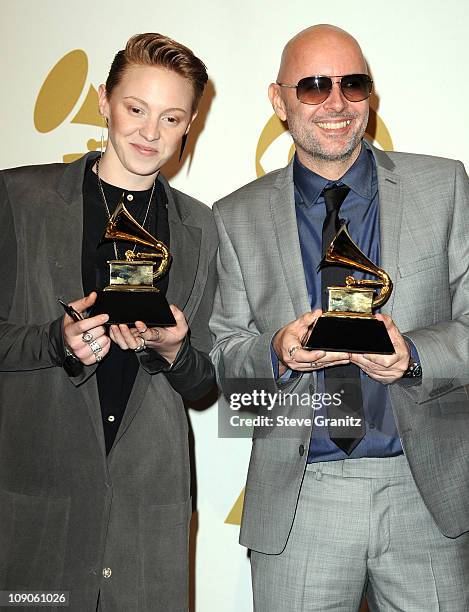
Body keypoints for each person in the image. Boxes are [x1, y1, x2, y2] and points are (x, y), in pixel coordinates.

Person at [210, 24, 469, 611]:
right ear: (278, 101)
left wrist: (415, 354)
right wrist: (274, 349)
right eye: (313, 87)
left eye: (353, 85)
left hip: (423, 495)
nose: (336, 103)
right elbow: (223, 356)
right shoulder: (236, 216)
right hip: (301, 500)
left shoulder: (445, 185)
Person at [0, 33, 217, 611]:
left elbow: (203, 381)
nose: (150, 133)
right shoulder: (20, 198)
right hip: (41, 499)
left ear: (190, 122)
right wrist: (56, 339)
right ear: (103, 100)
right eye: (135, 108)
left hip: (150, 505)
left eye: (171, 117)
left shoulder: (201, 226)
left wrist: (174, 350)